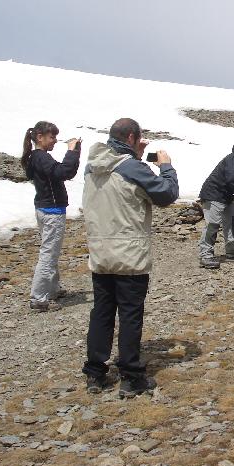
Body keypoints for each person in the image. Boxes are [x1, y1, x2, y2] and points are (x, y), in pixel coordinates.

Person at [82, 118, 179, 397]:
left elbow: (118, 188)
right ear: (133, 137)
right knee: (130, 314)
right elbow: (166, 194)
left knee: (101, 312)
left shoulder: (92, 166)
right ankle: (131, 376)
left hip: (100, 251)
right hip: (129, 253)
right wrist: (165, 167)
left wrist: (134, 157)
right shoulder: (132, 167)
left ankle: (95, 372)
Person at [21, 121, 81, 312]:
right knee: (49, 253)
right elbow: (64, 172)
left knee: (50, 250)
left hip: (44, 208)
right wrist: (72, 151)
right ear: (40, 137)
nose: (55, 140)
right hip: (52, 211)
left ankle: (53, 289)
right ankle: (38, 298)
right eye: (52, 137)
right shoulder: (42, 157)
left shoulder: (35, 156)